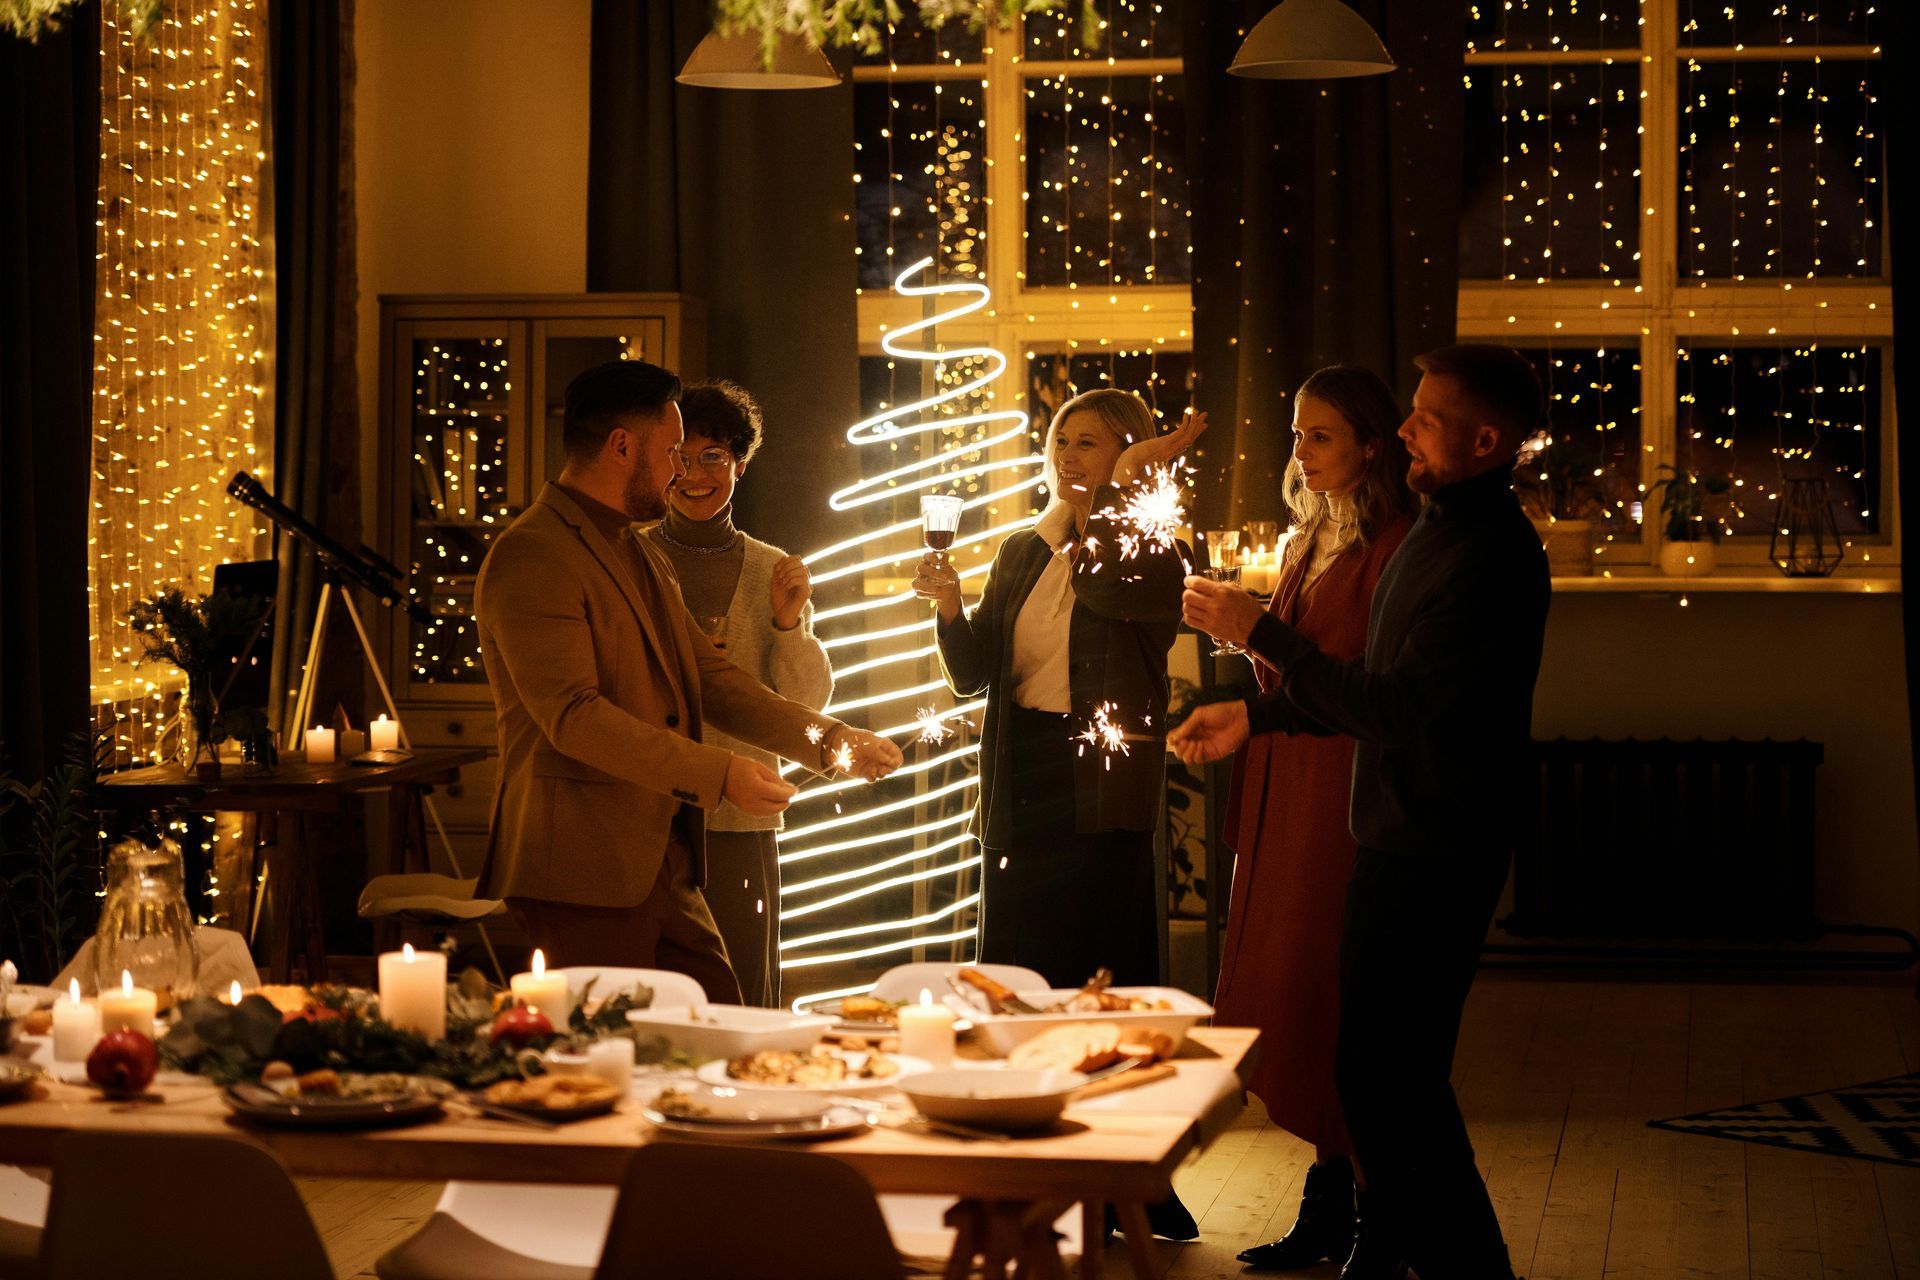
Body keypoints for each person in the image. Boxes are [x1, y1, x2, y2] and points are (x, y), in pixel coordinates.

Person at [1175, 345, 1551, 1280]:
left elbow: (1391, 707)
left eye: (1426, 418)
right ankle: (1396, 1256)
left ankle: (1447, 1264)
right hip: (1390, 831)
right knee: (1378, 1078)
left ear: (1486, 439)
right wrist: (1253, 713)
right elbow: (1366, 686)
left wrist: (1256, 633)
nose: (1408, 430)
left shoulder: (1489, 554)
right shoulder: (1439, 530)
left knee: (1395, 1084)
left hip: (1438, 844)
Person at [475, 359, 901, 1003]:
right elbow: (575, 716)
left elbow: (709, 676)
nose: (682, 470)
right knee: (610, 1059)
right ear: (622, 445)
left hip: (662, 858)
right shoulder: (533, 552)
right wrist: (720, 774)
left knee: (725, 1021)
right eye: (672, 451)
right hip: (579, 867)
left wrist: (831, 740)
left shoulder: (635, 548)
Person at [1195, 368, 1417, 1276]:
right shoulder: (1315, 534)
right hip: (1290, 776)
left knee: (1332, 991)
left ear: (1372, 443)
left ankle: (1377, 1217)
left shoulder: (1392, 544)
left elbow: (1357, 681)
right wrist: (1244, 638)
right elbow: (1292, 668)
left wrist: (1259, 634)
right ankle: (1327, 1203)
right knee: (1294, 986)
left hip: (1340, 790)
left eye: (1320, 436)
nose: (1300, 453)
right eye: (1296, 435)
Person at [914, 390, 1206, 989]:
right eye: (1061, 442)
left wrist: (1124, 484)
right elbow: (972, 677)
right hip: (1020, 769)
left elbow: (1103, 588)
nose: (1067, 455)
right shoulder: (1022, 550)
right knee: (1016, 965)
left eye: (1088, 444)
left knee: (1093, 964)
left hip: (1101, 776)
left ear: (1131, 454)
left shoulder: (1159, 553)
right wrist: (949, 606)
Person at [639, 380, 832, 1007]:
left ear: (739, 465)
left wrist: (785, 623)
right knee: (654, 989)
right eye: (681, 458)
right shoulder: (631, 557)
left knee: (742, 985)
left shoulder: (773, 568)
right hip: (646, 804)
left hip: (738, 811)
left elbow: (807, 701)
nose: (695, 475)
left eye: (713, 458)